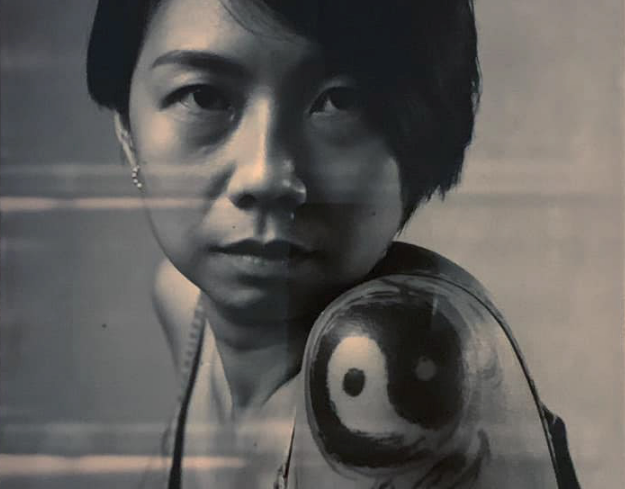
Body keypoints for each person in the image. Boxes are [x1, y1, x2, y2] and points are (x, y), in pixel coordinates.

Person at [86, 0, 580, 487]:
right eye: (204, 97)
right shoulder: (185, 303)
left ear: (422, 130)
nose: (266, 175)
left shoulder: (391, 368)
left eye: (340, 101)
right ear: (127, 130)